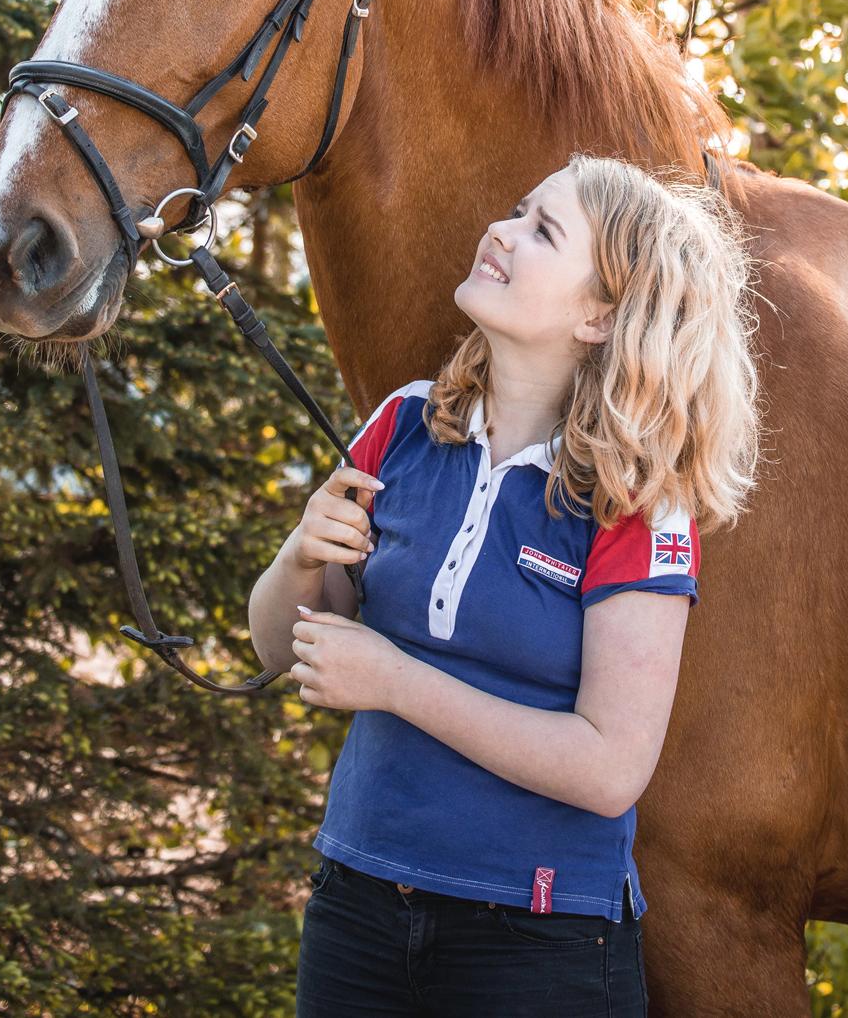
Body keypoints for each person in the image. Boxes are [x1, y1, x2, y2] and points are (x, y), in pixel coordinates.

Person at [248, 151, 761, 1018]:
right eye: (518, 208)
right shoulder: (402, 425)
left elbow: (610, 768)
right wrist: (301, 553)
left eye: (543, 229)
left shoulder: (641, 502)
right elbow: (284, 649)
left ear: (599, 314)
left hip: (538, 944)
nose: (501, 230)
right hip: (358, 910)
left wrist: (398, 684)